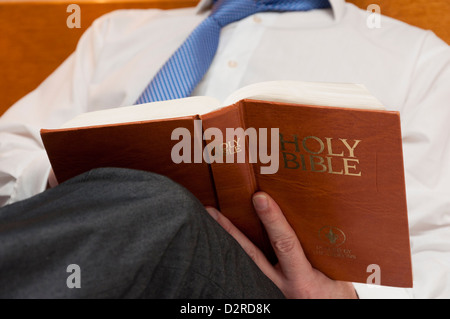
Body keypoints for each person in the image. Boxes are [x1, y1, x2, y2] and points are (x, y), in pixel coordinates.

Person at [0, 0, 449, 298]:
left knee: (162, 204)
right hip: (82, 267)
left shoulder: (417, 58)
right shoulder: (115, 33)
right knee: (147, 199)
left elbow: (441, 240)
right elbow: (8, 149)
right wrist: (73, 179)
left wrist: (350, 297)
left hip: (257, 297)